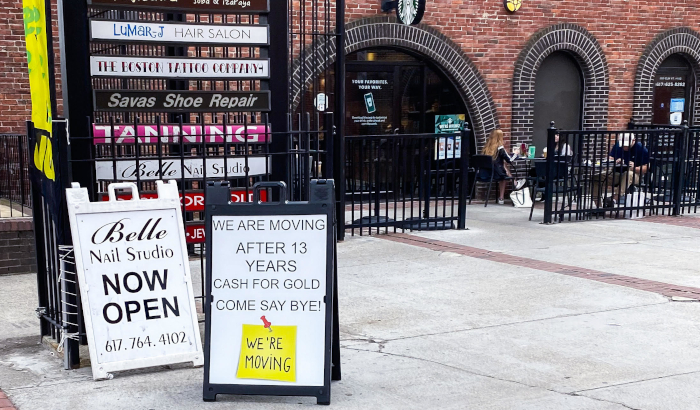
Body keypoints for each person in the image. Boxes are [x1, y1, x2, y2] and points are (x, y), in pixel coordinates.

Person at [591, 133, 649, 209]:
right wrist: (615, 161)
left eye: (626, 145)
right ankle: (598, 207)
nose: (624, 147)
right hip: (617, 173)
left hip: (635, 175)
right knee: (596, 177)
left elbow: (646, 168)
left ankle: (614, 199)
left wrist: (634, 167)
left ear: (633, 140)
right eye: (623, 145)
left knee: (628, 174)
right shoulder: (617, 146)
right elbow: (610, 158)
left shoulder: (640, 148)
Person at [482, 129, 516, 204]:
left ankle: (514, 181)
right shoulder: (500, 148)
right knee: (503, 177)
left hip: (486, 173)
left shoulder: (486, 147)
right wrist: (516, 153)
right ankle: (501, 197)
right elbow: (509, 159)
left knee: (503, 165)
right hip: (496, 174)